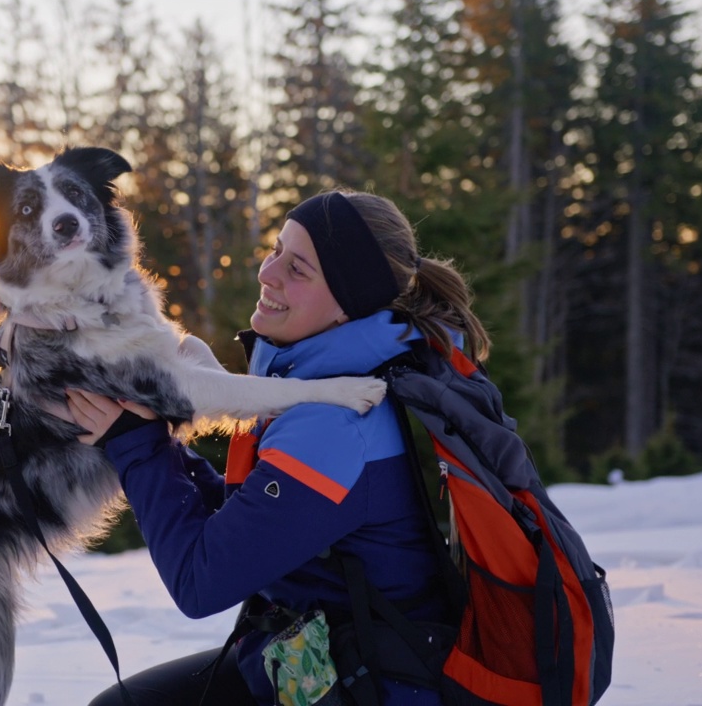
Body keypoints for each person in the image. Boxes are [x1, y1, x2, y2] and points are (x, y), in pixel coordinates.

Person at [66, 190, 491, 706]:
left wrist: (137, 446)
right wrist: (153, 436)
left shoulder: (338, 424)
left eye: (299, 269)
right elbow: (250, 520)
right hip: (309, 663)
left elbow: (201, 582)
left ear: (348, 304)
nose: (268, 274)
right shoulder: (324, 381)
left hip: (372, 682)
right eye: (276, 250)